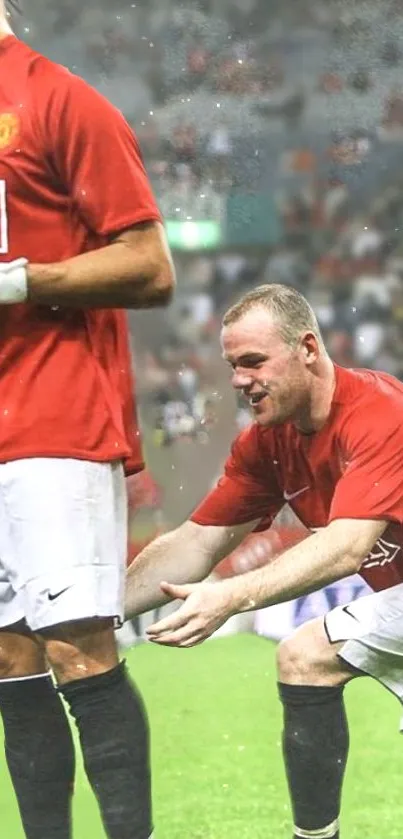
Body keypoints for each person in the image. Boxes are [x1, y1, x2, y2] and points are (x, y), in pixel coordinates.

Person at [125, 282, 403, 839]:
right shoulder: (266, 445)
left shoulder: (381, 411)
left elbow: (348, 545)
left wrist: (230, 596)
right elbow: (198, 543)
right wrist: (94, 613)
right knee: (304, 659)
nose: (238, 380)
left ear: (306, 348)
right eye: (232, 365)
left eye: (253, 361)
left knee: (304, 654)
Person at [0, 3, 175, 838]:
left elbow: (149, 263)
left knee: (76, 645)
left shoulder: (57, 99)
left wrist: (13, 281)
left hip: (53, 412)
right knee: (8, 654)